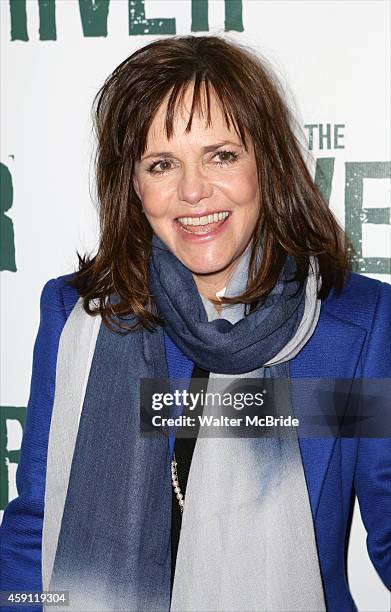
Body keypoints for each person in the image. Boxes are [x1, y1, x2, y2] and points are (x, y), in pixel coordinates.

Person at [1, 35, 390, 612]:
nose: (192, 191)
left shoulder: (354, 326)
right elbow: (37, 533)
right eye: (162, 164)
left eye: (222, 155)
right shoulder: (81, 318)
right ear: (134, 185)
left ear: (268, 165)